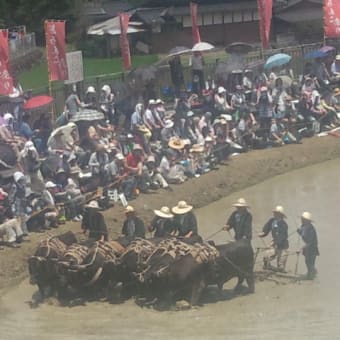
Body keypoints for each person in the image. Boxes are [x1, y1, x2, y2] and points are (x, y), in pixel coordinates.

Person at [258, 205, 289, 272]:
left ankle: (281, 271)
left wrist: (274, 243)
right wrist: (263, 233)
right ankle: (268, 268)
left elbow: (282, 237)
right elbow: (267, 228)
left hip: (282, 246)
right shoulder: (272, 220)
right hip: (274, 244)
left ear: (280, 215)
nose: (274, 214)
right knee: (266, 257)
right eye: (274, 212)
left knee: (280, 266)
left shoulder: (284, 225)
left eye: (276, 213)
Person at [297, 211, 319, 280]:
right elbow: (304, 235)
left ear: (306, 220)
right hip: (308, 248)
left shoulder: (310, 228)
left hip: (312, 248)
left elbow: (310, 241)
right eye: (301, 219)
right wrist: (299, 231)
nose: (301, 220)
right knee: (307, 261)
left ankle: (311, 276)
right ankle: (312, 274)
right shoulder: (304, 226)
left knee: (310, 262)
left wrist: (301, 248)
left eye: (303, 219)